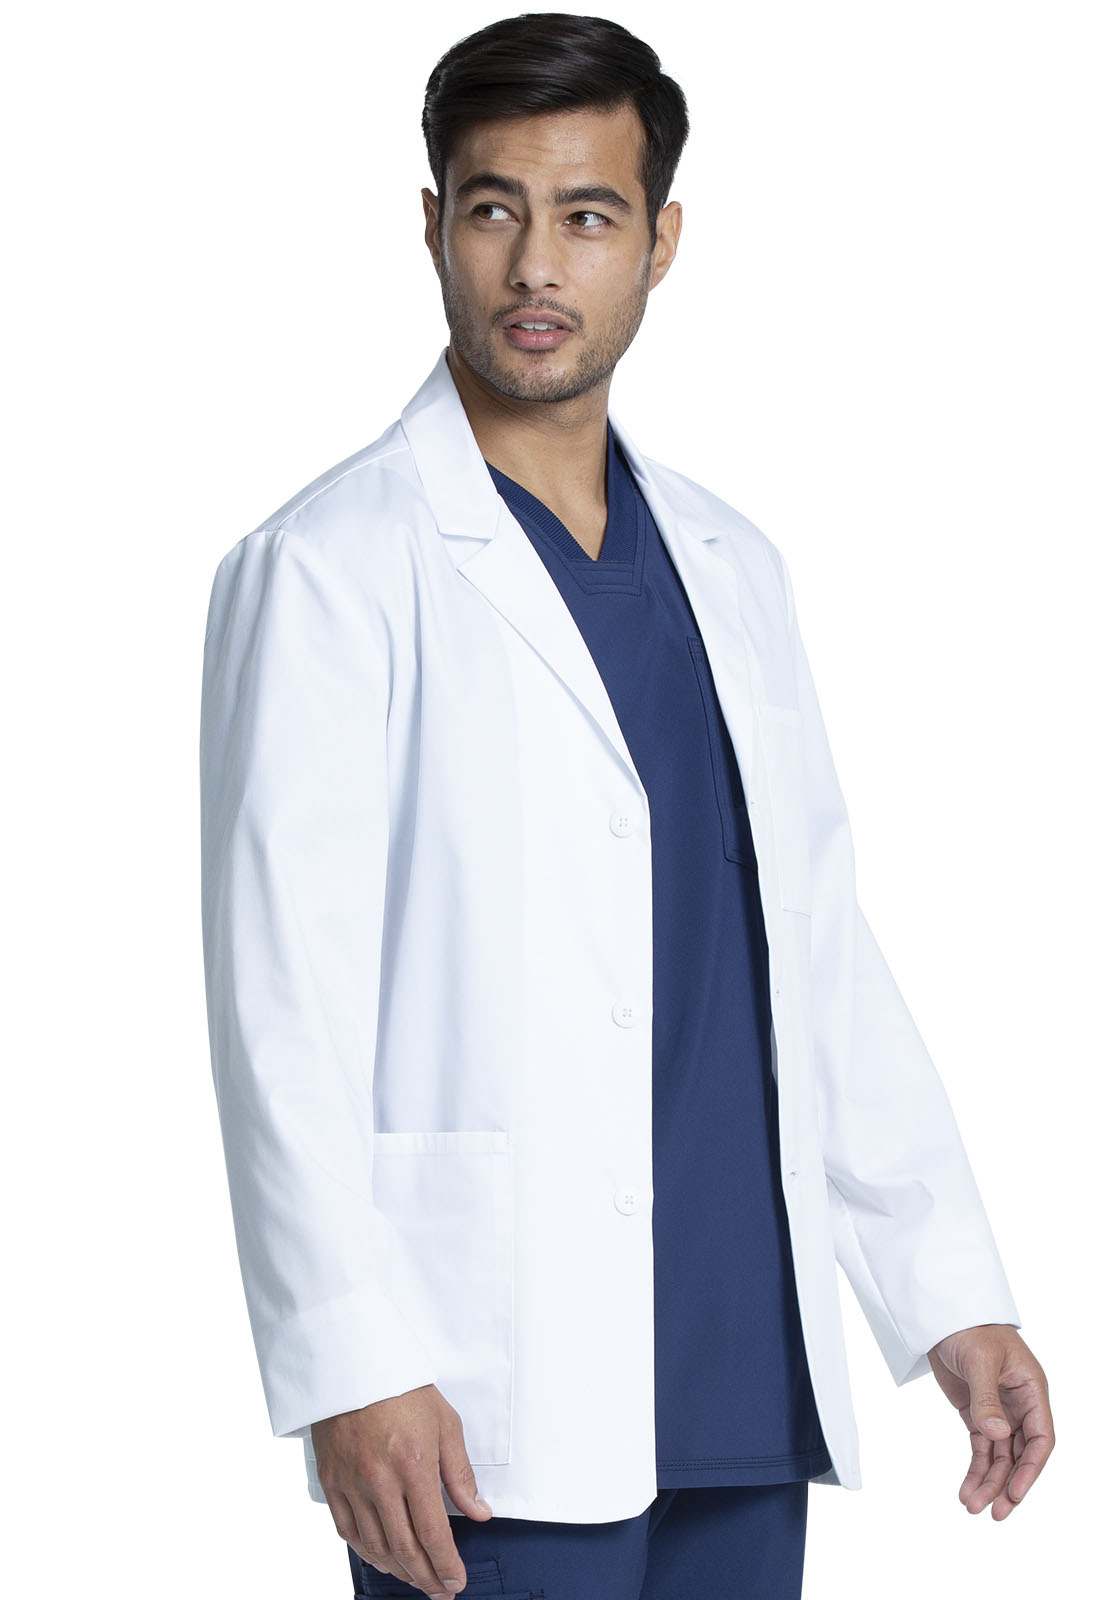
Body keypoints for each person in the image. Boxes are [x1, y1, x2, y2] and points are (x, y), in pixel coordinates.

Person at [198, 13, 1054, 1599]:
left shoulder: (733, 565)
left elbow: (816, 953)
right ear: (433, 226)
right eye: (492, 208)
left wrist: (947, 1288)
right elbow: (278, 1009)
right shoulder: (328, 568)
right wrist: (347, 1360)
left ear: (660, 243)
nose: (536, 265)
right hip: (482, 1392)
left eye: (588, 215)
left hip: (739, 1368)